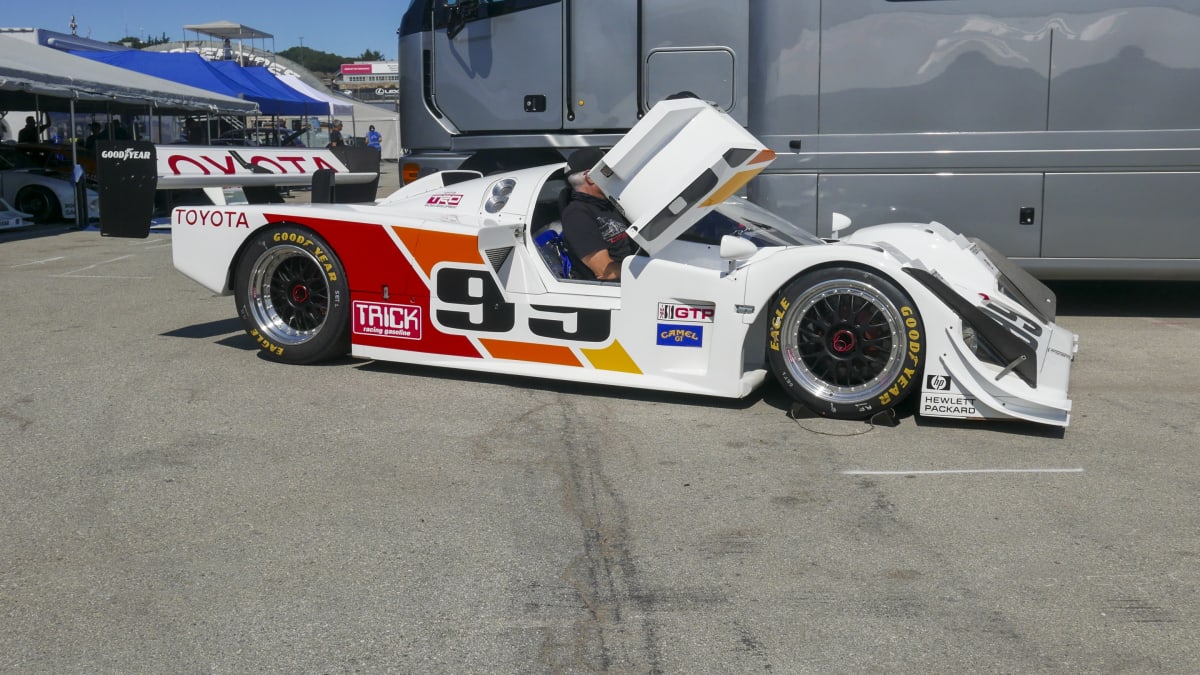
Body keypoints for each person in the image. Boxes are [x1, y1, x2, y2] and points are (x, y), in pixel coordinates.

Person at [559, 147, 637, 281]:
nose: (614, 175)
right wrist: (648, 272)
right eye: (608, 171)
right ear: (590, 177)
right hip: (621, 286)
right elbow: (605, 271)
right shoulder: (576, 215)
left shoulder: (611, 203)